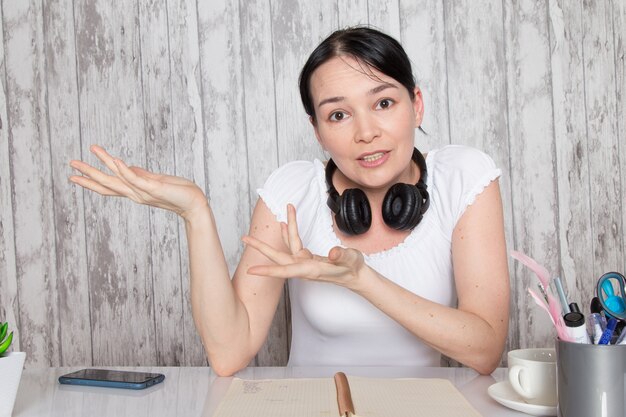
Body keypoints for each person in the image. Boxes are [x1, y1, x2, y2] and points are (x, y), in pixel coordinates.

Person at [69, 26, 509, 376]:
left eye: (384, 103)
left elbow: (485, 350)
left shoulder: (463, 178)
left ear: (416, 105)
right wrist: (195, 212)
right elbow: (229, 353)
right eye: (338, 114)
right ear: (317, 130)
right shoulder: (292, 191)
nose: (365, 132)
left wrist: (362, 280)